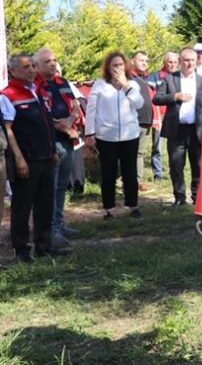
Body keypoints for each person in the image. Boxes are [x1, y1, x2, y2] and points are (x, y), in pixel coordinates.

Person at [2, 54, 63, 262]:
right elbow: (8, 130)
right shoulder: (8, 95)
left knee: (45, 204)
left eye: (32, 66)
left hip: (46, 155)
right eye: (26, 67)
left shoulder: (39, 90)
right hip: (27, 159)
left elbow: (47, 123)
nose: (31, 70)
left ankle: (44, 246)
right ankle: (21, 250)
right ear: (13, 71)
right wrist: (19, 159)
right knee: (22, 205)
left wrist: (53, 150)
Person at [153, 47, 202, 207]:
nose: (189, 63)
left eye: (192, 60)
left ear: (197, 62)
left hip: (197, 130)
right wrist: (175, 96)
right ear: (180, 62)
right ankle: (179, 197)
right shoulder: (170, 79)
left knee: (198, 165)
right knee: (176, 165)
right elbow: (157, 99)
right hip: (177, 130)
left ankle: (197, 197)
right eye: (186, 60)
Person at [85, 52, 144, 220]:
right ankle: (109, 209)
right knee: (108, 173)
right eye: (114, 65)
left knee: (130, 172)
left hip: (129, 135)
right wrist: (90, 133)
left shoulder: (133, 84)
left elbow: (139, 104)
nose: (118, 68)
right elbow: (91, 109)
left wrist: (125, 86)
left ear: (126, 66)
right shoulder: (100, 85)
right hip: (106, 136)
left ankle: (133, 206)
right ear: (108, 68)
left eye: (120, 65)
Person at [34, 48, 82, 248]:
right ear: (37, 65)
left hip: (67, 140)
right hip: (49, 141)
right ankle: (51, 230)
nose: (53, 64)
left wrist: (71, 120)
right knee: (50, 187)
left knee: (62, 185)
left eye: (54, 60)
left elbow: (76, 105)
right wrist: (60, 125)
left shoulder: (62, 82)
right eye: (47, 61)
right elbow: (39, 111)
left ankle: (59, 224)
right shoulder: (35, 84)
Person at [145, 52, 178, 181]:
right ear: (164, 63)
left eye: (175, 62)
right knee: (157, 146)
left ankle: (174, 171)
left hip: (174, 116)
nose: (172, 65)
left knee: (175, 146)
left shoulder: (180, 77)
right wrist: (156, 117)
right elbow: (151, 97)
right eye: (170, 62)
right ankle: (158, 173)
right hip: (160, 114)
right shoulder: (155, 77)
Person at [130, 51, 155, 191]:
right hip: (133, 121)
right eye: (141, 60)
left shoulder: (144, 79)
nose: (145, 63)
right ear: (132, 61)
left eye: (146, 61)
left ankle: (138, 182)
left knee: (140, 153)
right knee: (129, 153)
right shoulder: (128, 77)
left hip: (145, 121)